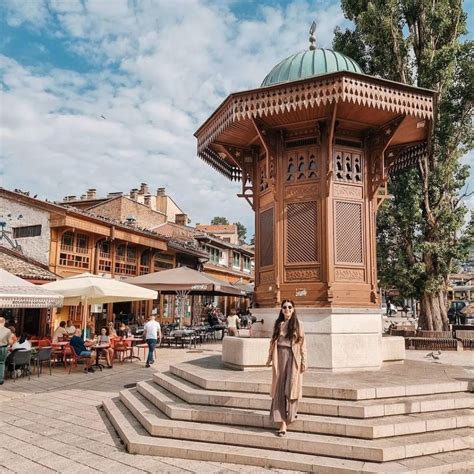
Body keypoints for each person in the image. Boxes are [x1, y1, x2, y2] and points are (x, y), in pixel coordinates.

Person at [266, 300, 307, 437]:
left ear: (294, 309)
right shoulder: (278, 324)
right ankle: (283, 422)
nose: (287, 309)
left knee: (291, 387)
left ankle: (291, 414)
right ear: (281, 310)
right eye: (284, 307)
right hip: (280, 357)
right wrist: (269, 358)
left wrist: (304, 361)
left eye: (290, 307)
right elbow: (273, 342)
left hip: (293, 358)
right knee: (279, 387)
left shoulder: (298, 325)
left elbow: (303, 345)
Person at [0, 317, 15, 385]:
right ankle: (0, 380)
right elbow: (10, 342)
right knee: (1, 363)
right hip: (3, 348)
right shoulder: (7, 331)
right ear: (4, 322)